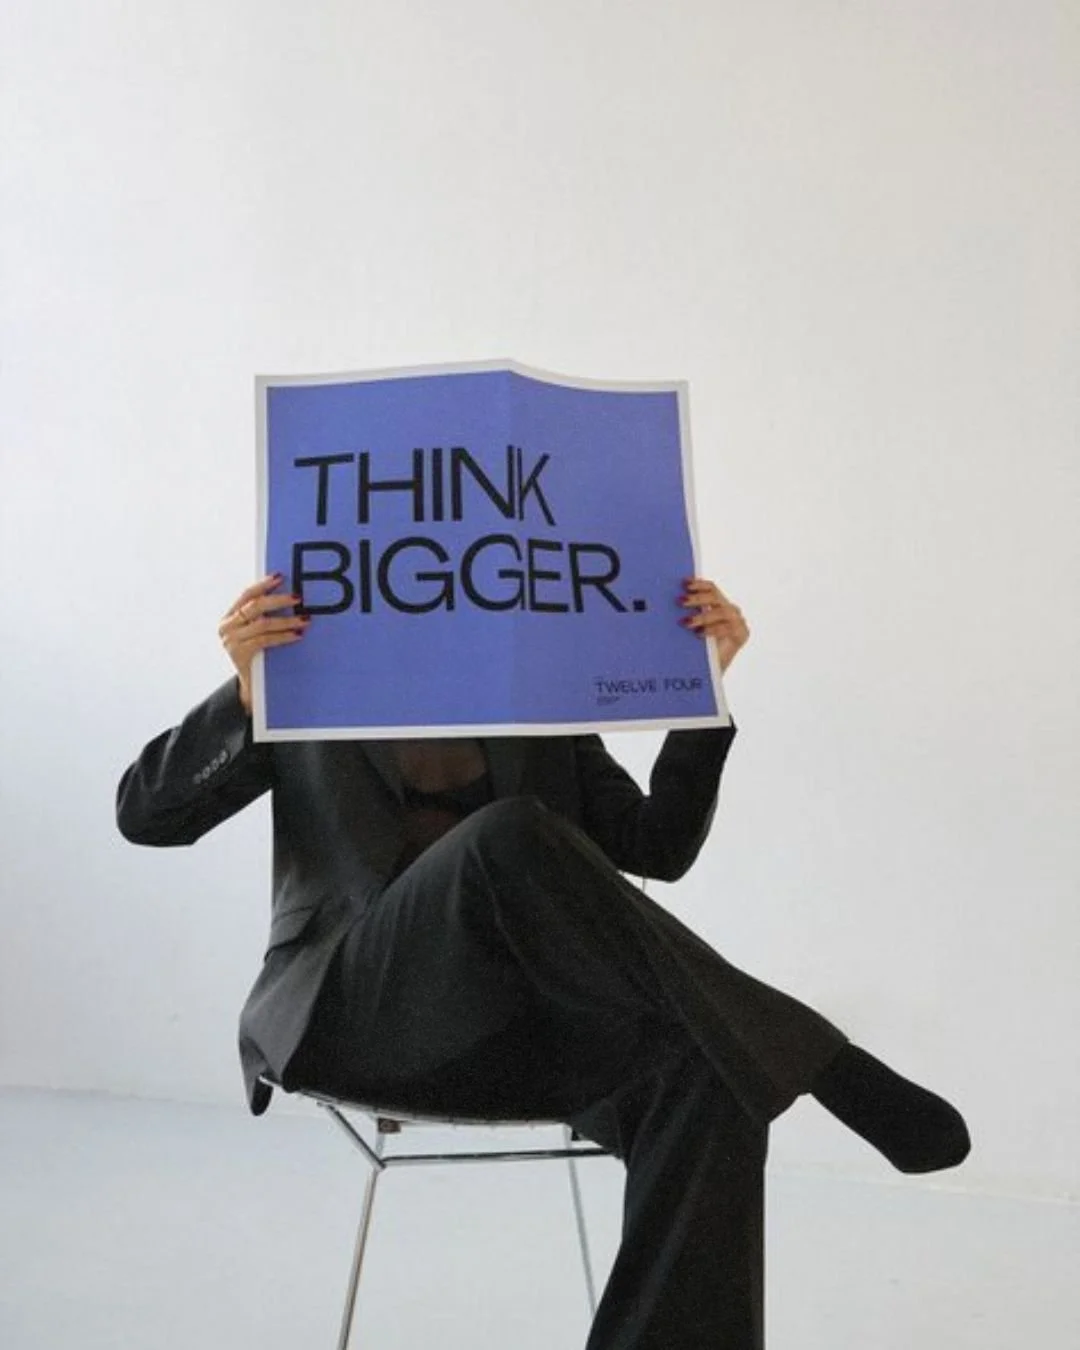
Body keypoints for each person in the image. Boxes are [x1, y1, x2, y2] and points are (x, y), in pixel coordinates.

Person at [116, 574, 970, 1349]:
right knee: (509, 835)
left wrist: (700, 693)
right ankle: (816, 1052)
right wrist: (245, 690)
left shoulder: (542, 708)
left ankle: (782, 1048)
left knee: (712, 1075)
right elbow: (148, 816)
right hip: (353, 1008)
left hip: (522, 1035)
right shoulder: (307, 683)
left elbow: (657, 848)